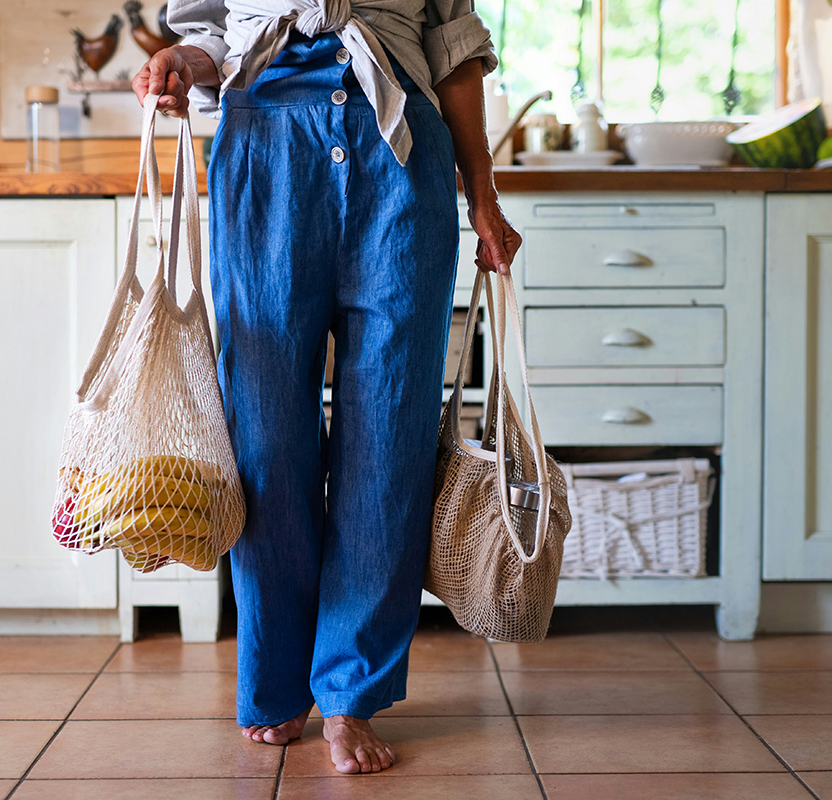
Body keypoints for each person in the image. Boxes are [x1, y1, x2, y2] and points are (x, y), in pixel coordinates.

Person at [132, 0, 519, 775]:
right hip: (264, 152)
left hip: (399, 151)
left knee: (390, 441)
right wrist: (184, 66)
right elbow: (212, 38)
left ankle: (350, 694)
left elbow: (453, 48)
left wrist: (482, 193)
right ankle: (275, 678)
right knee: (265, 439)